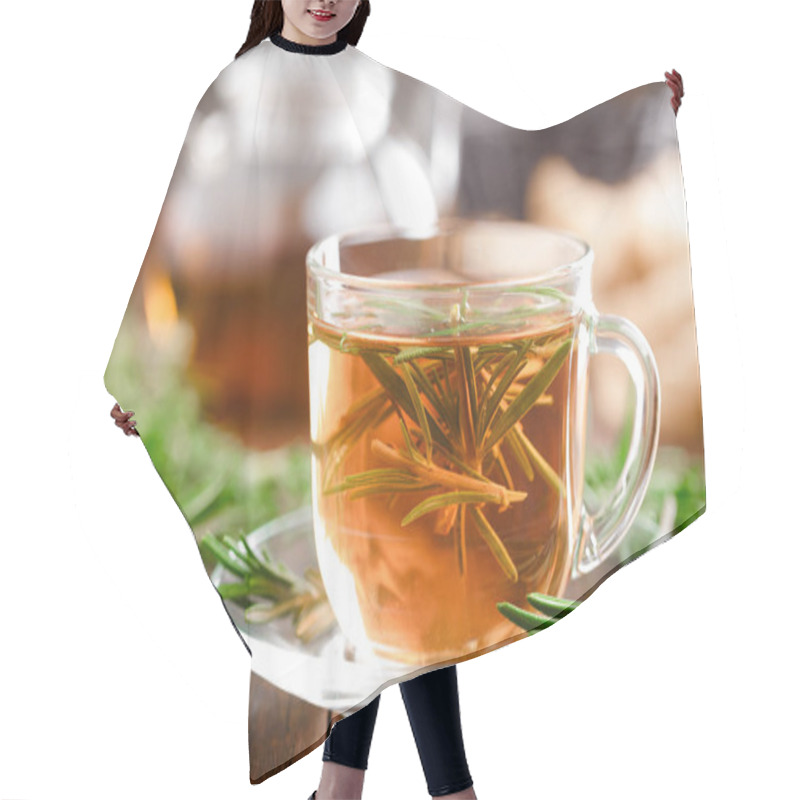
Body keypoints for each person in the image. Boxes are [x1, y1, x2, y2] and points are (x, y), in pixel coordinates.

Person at [109, 4, 685, 799]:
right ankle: (435, 791)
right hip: (298, 376)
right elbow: (170, 240)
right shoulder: (234, 87)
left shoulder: (385, 87)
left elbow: (514, 137)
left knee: (398, 575)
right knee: (390, 587)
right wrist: (135, 384)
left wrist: (644, 108)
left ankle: (348, 788)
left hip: (400, 383)